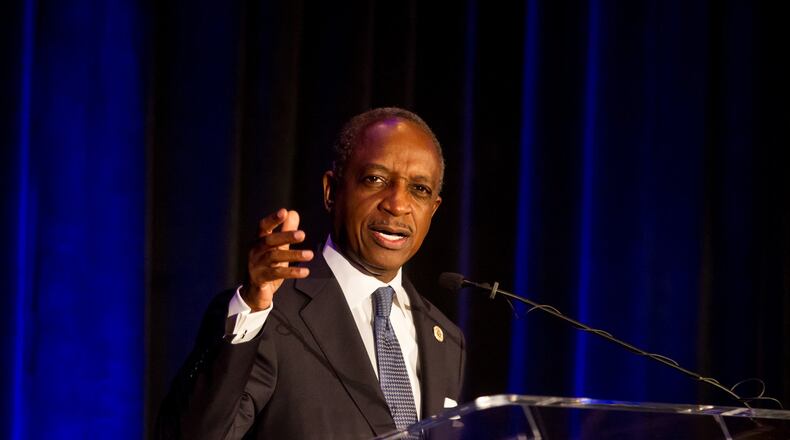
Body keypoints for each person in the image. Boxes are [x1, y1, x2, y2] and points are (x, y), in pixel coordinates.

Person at [156, 107, 465, 439]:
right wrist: (253, 306)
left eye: (419, 189)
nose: (397, 204)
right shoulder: (269, 313)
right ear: (332, 191)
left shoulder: (447, 341)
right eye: (375, 179)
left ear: (433, 209)